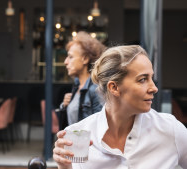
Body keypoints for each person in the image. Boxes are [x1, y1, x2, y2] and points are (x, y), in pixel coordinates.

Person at [53, 45, 187, 168]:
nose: (154, 88)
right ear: (114, 87)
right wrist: (65, 167)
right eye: (142, 79)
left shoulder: (171, 130)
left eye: (151, 78)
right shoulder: (78, 137)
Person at [59, 31, 106, 129]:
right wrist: (64, 106)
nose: (65, 62)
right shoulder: (77, 86)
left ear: (85, 59)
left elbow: (101, 128)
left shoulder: (95, 89)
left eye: (71, 57)